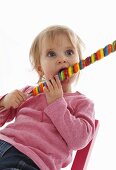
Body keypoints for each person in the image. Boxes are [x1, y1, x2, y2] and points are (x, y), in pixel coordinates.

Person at [0, 25, 95, 170]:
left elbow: (79, 141)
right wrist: (5, 102)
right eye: (52, 54)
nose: (62, 59)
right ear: (40, 69)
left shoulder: (82, 103)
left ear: (80, 62)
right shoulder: (29, 92)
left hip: (32, 160)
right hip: (3, 142)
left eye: (69, 52)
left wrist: (57, 103)